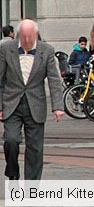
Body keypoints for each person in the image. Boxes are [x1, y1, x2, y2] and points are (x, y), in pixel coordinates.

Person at [0, 19, 65, 181]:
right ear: (17, 35)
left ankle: (32, 187)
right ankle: (12, 172)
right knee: (11, 140)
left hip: (35, 104)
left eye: (30, 36)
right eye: (23, 36)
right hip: (11, 103)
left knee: (35, 148)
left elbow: (54, 80)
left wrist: (57, 106)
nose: (27, 40)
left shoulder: (47, 50)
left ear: (36, 35)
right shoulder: (6, 49)